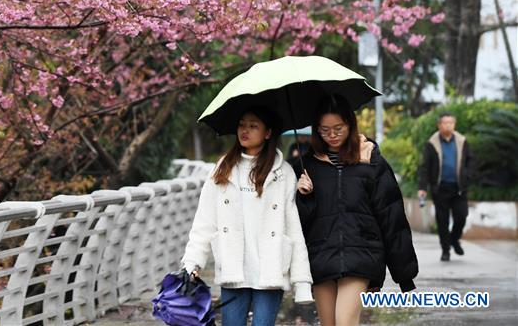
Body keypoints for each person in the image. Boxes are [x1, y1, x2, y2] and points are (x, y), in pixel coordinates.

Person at [181, 106, 313, 326]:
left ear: (268, 132)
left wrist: (301, 281)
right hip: (234, 270)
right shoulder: (223, 168)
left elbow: (293, 229)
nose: (245, 130)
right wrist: (193, 262)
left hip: (270, 270)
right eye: (242, 124)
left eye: (253, 126)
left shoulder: (283, 173)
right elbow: (205, 220)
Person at [295, 95, 417, 326]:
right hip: (321, 257)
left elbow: (391, 216)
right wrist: (302, 196)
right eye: (325, 130)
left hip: (361, 254)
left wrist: (404, 273)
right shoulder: (306, 167)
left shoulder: (372, 162)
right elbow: (296, 222)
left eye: (338, 128)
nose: (332, 135)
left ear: (350, 125)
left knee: (345, 322)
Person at [418, 112, 472, 261]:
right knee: (442, 221)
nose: (448, 125)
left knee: (462, 216)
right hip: (440, 189)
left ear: (454, 125)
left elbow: (470, 162)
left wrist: (467, 177)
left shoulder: (462, 141)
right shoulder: (432, 143)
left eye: (451, 123)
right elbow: (425, 167)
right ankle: (445, 250)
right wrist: (423, 187)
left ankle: (454, 239)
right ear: (439, 125)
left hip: (459, 188)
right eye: (445, 123)